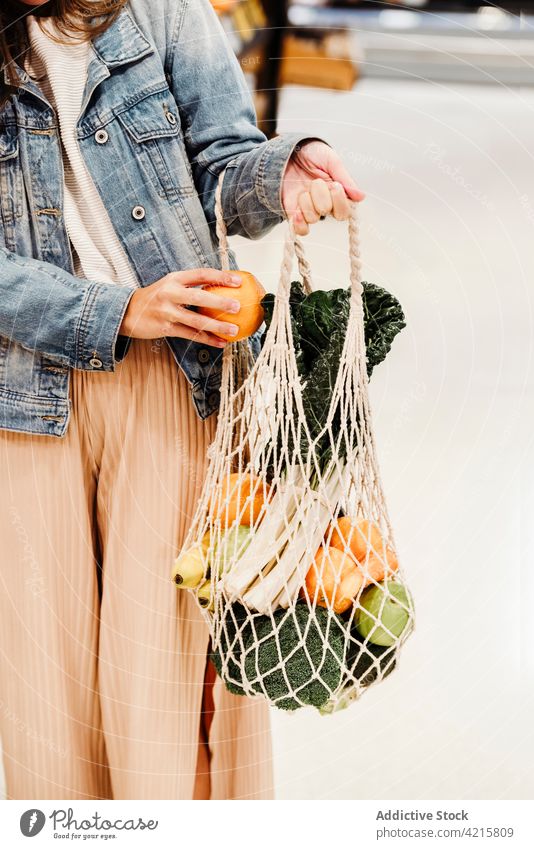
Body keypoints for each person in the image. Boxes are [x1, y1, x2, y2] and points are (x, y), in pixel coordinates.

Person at [0, 0, 364, 800]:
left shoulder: (160, 10)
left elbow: (223, 163)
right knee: (40, 699)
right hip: (22, 401)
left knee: (162, 687)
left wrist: (283, 170)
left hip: (173, 380)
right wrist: (116, 310)